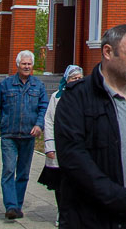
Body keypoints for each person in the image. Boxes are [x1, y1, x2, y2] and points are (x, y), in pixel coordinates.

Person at [55, 24, 126, 228]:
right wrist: (125, 200)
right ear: (108, 52)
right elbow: (74, 161)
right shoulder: (77, 98)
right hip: (95, 221)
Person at [0, 49, 50, 221]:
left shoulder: (38, 85)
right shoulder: (6, 85)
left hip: (28, 136)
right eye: (24, 64)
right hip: (9, 136)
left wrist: (39, 125)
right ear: (18, 65)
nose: (27, 67)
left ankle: (17, 206)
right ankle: (11, 206)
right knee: (8, 170)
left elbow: (44, 108)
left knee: (23, 173)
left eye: (29, 64)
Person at [40, 64, 84, 211]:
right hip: (61, 146)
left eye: (79, 78)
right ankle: (62, 212)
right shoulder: (57, 97)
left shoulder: (87, 97)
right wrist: (49, 146)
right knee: (61, 183)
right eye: (74, 78)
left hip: (79, 147)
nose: (77, 80)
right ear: (67, 79)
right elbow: (49, 121)